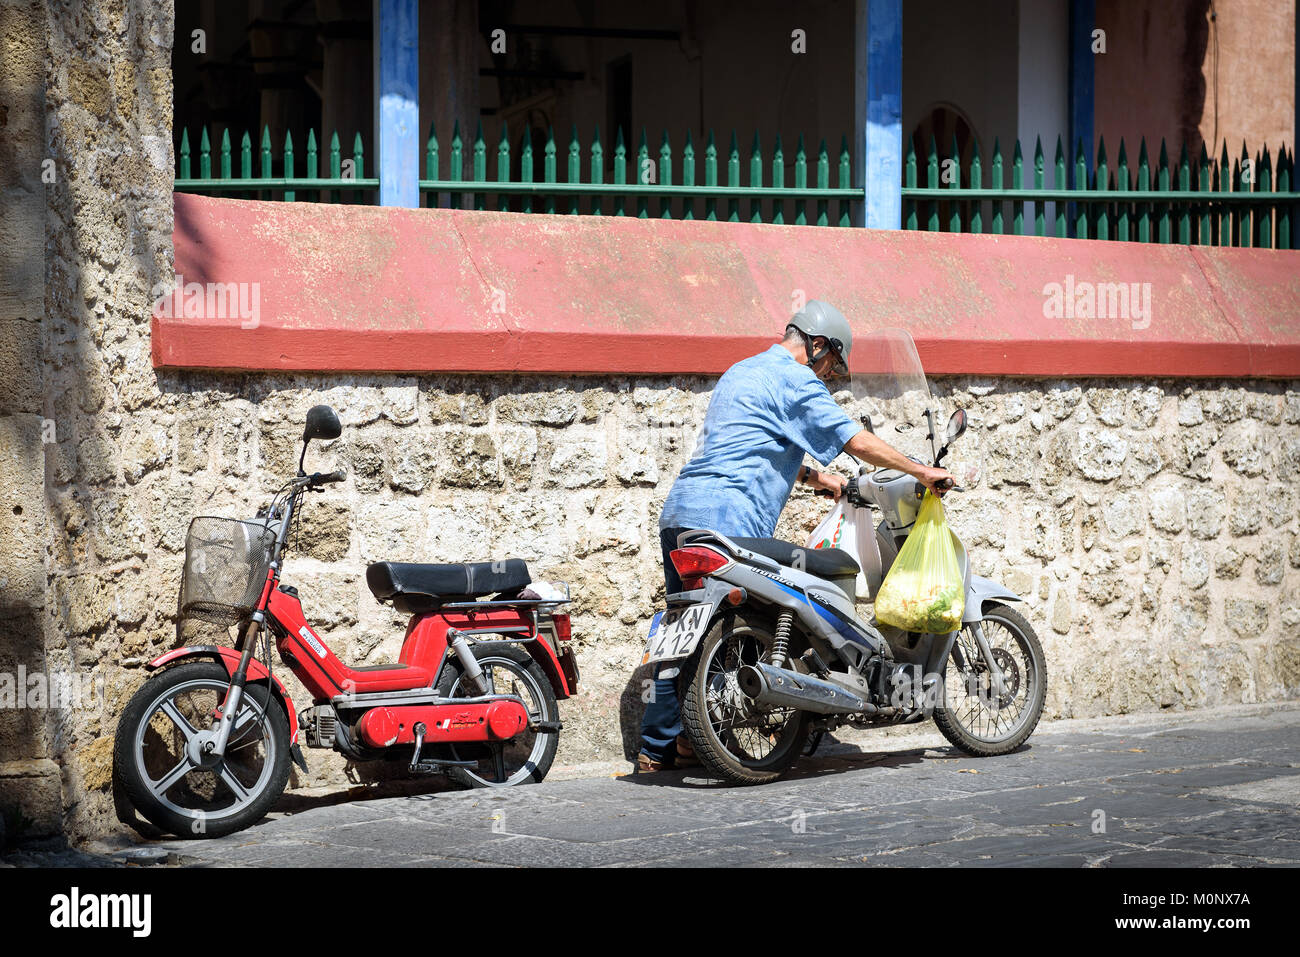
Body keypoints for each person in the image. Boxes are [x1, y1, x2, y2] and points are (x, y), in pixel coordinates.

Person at [637, 301, 955, 771]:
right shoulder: (797, 378)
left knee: (684, 627)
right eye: (830, 367)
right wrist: (920, 469)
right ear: (818, 345)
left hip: (682, 515)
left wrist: (816, 479)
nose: (828, 377)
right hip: (730, 517)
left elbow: (752, 442)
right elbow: (855, 440)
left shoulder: (740, 372)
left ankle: (660, 748)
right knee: (755, 617)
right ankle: (753, 715)